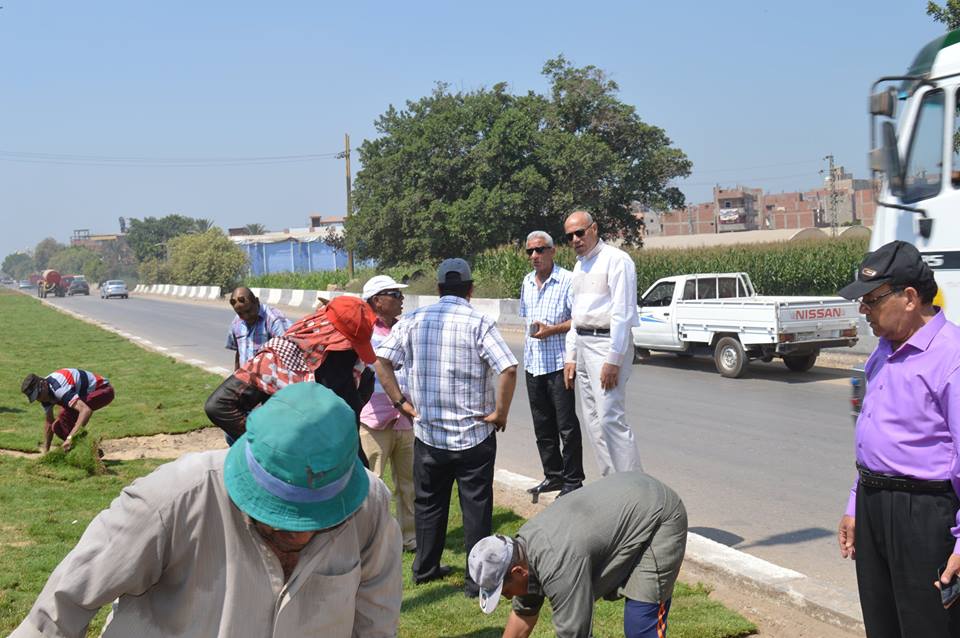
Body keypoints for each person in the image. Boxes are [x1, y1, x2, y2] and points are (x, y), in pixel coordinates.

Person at [10, 382, 402, 638]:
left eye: (319, 521)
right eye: (279, 520)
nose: (299, 537)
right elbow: (57, 612)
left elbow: (375, 623)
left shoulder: (370, 507)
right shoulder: (172, 499)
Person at [836, 240, 960, 637]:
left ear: (909, 297)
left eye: (871, 300)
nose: (863, 311)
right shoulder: (884, 350)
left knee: (929, 627)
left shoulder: (951, 356)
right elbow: (877, 438)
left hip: (924, 515)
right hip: (875, 506)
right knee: (882, 624)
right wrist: (858, 501)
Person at [375, 258, 518, 596]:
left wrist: (401, 404)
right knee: (476, 508)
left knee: (429, 504)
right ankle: (476, 581)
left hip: (429, 433)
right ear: (470, 289)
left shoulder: (413, 320)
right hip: (474, 435)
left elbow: (381, 361)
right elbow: (508, 368)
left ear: (439, 289)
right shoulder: (479, 322)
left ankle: (424, 569)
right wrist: (500, 413)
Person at [469, 471, 687, 638]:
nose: (507, 597)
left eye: (504, 590)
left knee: (640, 624)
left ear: (517, 571)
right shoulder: (522, 551)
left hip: (658, 513)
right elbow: (523, 614)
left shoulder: (558, 565)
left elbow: (574, 634)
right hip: (626, 498)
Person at [204, 295, 376, 448]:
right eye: (348, 345)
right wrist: (269, 447)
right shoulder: (281, 357)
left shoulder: (359, 370)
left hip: (345, 466)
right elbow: (219, 406)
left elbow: (351, 418)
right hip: (297, 473)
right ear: (327, 330)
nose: (351, 353)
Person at [562, 210, 642, 475]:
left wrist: (614, 359)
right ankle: (612, 485)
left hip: (606, 343)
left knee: (610, 417)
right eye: (570, 235)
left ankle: (633, 487)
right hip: (583, 344)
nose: (575, 239)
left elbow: (623, 313)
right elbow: (576, 314)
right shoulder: (579, 265)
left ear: (594, 229)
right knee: (593, 420)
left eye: (580, 233)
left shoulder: (617, 260)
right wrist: (570, 356)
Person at [519, 230, 583, 497]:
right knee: (542, 425)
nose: (535, 256)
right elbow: (525, 318)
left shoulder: (567, 280)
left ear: (553, 251)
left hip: (558, 363)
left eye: (540, 250)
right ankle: (553, 475)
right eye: (530, 251)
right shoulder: (527, 282)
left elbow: (577, 320)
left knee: (566, 426)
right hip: (533, 364)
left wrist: (552, 330)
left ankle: (573, 480)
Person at [359, 274, 416, 552]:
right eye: (394, 294)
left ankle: (410, 539)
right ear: (377, 301)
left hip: (404, 418)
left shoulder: (405, 328)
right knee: (375, 485)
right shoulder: (363, 332)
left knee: (409, 485)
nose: (400, 299)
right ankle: (376, 542)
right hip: (374, 419)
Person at [21, 369, 115, 453]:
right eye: (36, 397)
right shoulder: (44, 395)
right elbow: (49, 422)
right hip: (84, 395)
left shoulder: (58, 389)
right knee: (57, 427)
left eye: (38, 394)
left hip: (103, 390)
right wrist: (46, 451)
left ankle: (90, 450)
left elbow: (85, 410)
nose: (39, 399)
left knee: (63, 417)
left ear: (43, 384)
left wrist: (70, 438)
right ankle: (91, 451)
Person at [225, 287, 292, 370]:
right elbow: (239, 351)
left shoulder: (273, 320)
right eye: (240, 313)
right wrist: (236, 375)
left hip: (268, 379)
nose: (246, 316)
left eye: (248, 311)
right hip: (246, 378)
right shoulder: (236, 322)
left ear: (257, 302)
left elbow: (288, 353)